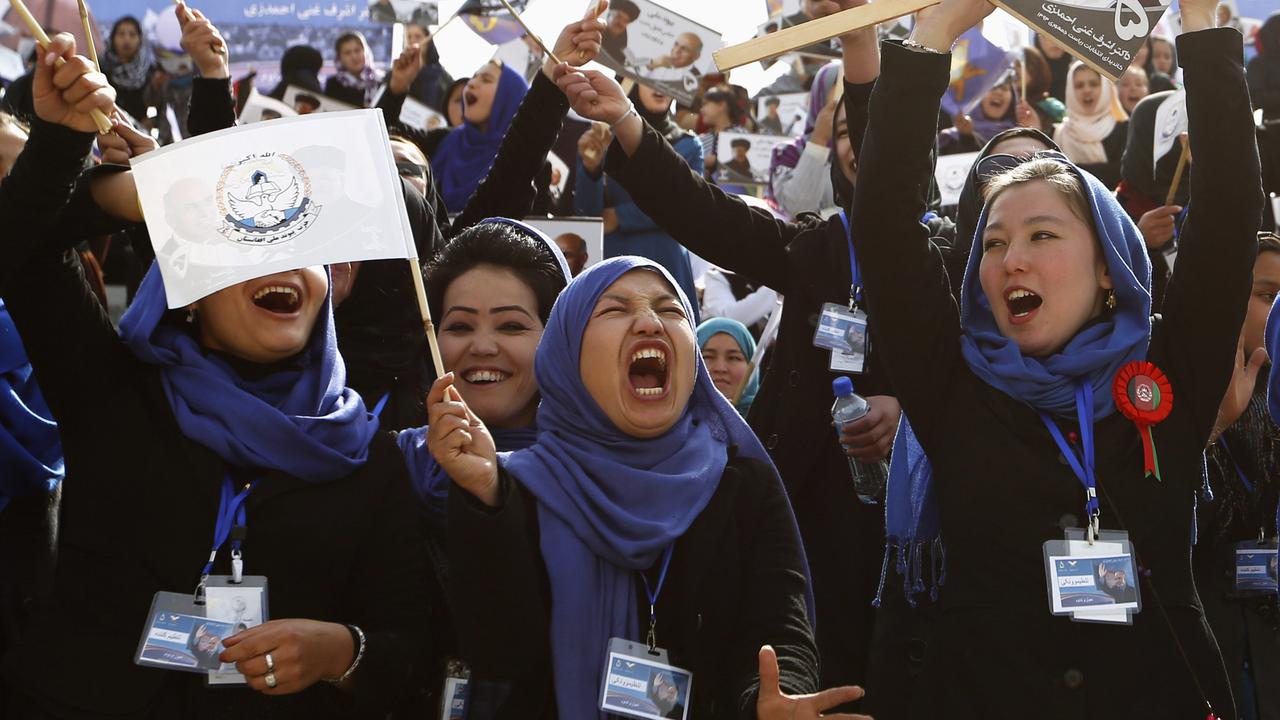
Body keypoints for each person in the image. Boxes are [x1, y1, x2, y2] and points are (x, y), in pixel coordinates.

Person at [0, 31, 435, 718]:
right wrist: (89, 162)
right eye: (244, 249)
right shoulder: (115, 394)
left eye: (301, 248)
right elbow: (21, 252)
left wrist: (341, 652)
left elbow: (414, 651)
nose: (281, 268)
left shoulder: (369, 456)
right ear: (192, 289)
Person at [849, 0, 1260, 714]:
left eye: (1042, 235)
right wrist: (935, 35)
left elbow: (1227, 210)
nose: (1012, 260)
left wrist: (1202, 25)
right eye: (996, 243)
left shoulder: (1168, 370)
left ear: (1108, 266)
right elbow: (884, 222)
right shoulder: (953, 383)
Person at [554, 8, 908, 698]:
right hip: (809, 510)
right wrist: (628, 118)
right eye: (843, 136)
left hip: (912, 530)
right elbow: (703, 213)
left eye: (866, 132)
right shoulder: (818, 248)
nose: (856, 147)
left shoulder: (957, 254)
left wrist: (911, 415)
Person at [430, 256, 867, 718]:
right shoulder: (519, 488)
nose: (648, 321)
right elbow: (500, 653)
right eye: (615, 310)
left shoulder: (741, 486)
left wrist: (771, 699)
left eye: (671, 310)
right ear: (567, 356)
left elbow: (781, 629)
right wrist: (483, 499)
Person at [1195, 231, 1280, 720]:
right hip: (1213, 628)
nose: (1279, 308)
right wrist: (1214, 429)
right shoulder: (1174, 389)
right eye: (1268, 295)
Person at [575, 83, 702, 317]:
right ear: (627, 81)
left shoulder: (688, 145)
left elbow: (684, 206)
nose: (660, 84)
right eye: (649, 77)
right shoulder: (601, 138)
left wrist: (619, 216)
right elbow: (588, 214)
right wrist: (591, 169)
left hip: (666, 263)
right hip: (614, 263)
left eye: (667, 77)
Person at [768, 61, 841, 217]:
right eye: (842, 86)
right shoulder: (788, 153)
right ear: (822, 93)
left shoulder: (861, 150)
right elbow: (799, 208)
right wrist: (819, 140)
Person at [1053, 61, 1129, 188]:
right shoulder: (1058, 133)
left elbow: (1122, 172)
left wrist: (1070, 169)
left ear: (1105, 87)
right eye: (1079, 86)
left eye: (1093, 84)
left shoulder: (1123, 128)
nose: (1087, 90)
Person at [939, 76, 1017, 154]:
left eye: (1005, 89)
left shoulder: (1020, 134)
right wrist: (966, 137)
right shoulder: (951, 139)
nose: (998, 92)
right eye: (992, 87)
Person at [697, 316, 759, 416]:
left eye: (733, 358)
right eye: (708, 356)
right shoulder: (671, 425)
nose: (720, 368)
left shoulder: (771, 423)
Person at [101, 16, 155, 123]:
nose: (127, 39)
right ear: (113, 38)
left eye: (132, 34)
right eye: (121, 34)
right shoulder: (101, 68)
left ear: (140, 39)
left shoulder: (149, 71)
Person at [324, 32, 382, 107]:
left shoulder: (379, 82)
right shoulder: (333, 85)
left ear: (365, 51)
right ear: (339, 58)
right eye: (347, 53)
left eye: (357, 50)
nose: (354, 57)